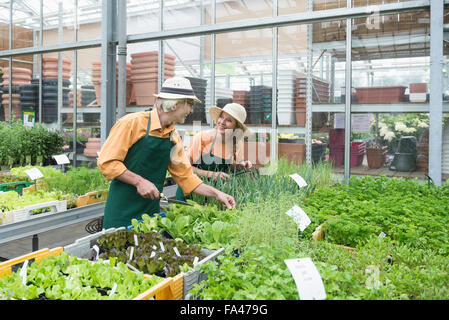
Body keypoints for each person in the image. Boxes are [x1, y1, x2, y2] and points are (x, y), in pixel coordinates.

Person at [97, 77, 236, 229]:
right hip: (121, 211)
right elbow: (107, 162)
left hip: (150, 213)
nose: (191, 110)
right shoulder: (131, 123)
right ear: (175, 105)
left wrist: (217, 194)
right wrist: (139, 181)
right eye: (189, 104)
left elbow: (186, 177)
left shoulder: (173, 137)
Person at [175, 103, 252, 201]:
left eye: (228, 120)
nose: (222, 122)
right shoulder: (202, 138)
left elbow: (230, 168)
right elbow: (184, 168)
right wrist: (212, 174)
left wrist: (240, 165)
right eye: (221, 117)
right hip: (191, 195)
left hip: (215, 198)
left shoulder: (237, 143)